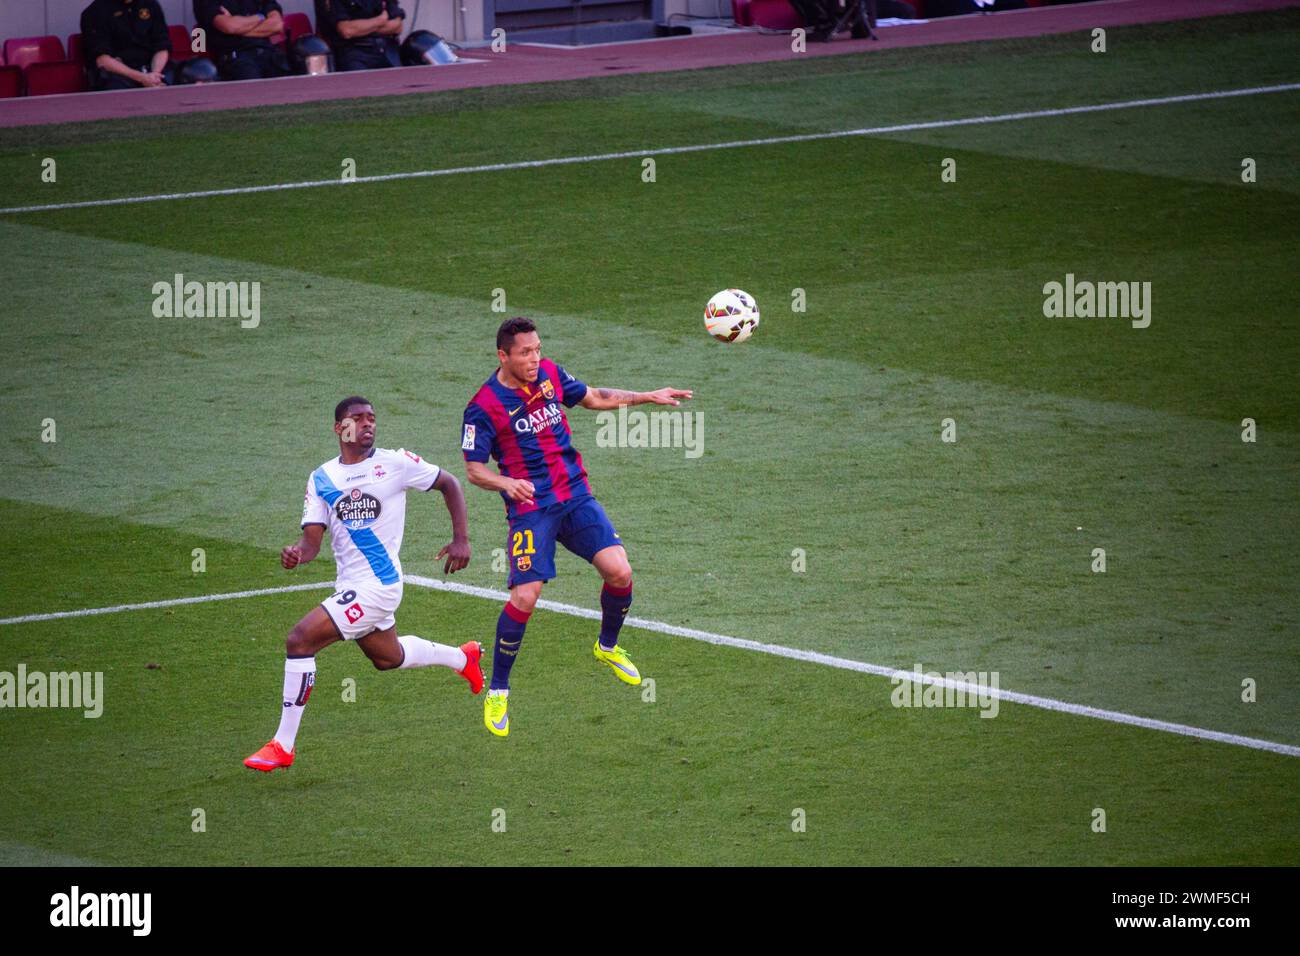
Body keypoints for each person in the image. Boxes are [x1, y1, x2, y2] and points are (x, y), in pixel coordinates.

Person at [461, 317, 692, 738]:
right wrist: (505, 482)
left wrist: (647, 397)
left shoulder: (549, 374)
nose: (535, 359)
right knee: (526, 595)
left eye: (537, 349)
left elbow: (592, 398)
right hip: (532, 509)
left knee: (620, 571)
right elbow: (474, 470)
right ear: (503, 356)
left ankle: (606, 647)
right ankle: (498, 690)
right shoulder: (483, 406)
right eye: (525, 353)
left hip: (576, 496)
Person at [243, 396, 480, 772]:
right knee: (389, 658)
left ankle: (282, 745)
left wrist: (461, 538)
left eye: (372, 418)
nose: (368, 423)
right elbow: (311, 542)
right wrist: (296, 553)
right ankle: (462, 657)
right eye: (358, 418)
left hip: (381, 586)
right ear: (340, 429)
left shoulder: (395, 463)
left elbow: (449, 483)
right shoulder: (322, 478)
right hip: (350, 585)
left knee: (299, 640)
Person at [80, 0, 174, 91]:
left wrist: (155, 76)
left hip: (153, 69)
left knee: (182, 75)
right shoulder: (95, 12)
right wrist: (142, 78)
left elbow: (162, 47)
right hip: (120, 75)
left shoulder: (150, 4)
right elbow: (103, 61)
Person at [193, 0, 293, 80]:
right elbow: (230, 26)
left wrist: (239, 26)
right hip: (236, 59)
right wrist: (261, 16)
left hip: (269, 53)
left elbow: (277, 25)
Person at [315, 0, 405, 71]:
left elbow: (397, 26)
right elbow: (346, 30)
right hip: (355, 53)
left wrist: (364, 28)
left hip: (387, 50)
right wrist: (379, 21)